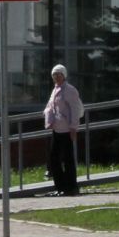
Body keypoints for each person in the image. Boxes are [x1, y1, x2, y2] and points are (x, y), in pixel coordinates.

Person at [43, 64, 85, 196]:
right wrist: (48, 118)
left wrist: (73, 127)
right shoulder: (55, 90)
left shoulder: (70, 90)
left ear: (64, 75)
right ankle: (60, 187)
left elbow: (75, 109)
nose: (57, 77)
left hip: (67, 130)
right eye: (54, 75)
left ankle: (71, 187)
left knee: (68, 159)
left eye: (59, 74)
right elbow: (50, 106)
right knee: (54, 159)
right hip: (57, 129)